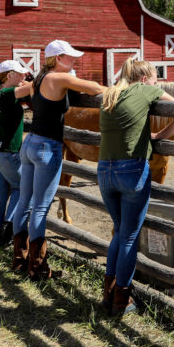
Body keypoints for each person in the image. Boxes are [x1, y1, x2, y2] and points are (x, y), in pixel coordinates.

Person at [98, 59, 174, 316]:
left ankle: (108, 294)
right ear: (144, 78)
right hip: (131, 171)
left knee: (119, 233)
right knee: (128, 236)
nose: (157, 83)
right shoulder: (146, 90)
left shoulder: (109, 94)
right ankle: (122, 300)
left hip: (105, 170)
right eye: (155, 78)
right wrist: (161, 136)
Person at [12, 40, 104, 280]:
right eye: (69, 57)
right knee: (41, 207)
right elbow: (95, 88)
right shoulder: (59, 78)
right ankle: (37, 267)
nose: (74, 61)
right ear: (58, 58)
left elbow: (16, 92)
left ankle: (19, 258)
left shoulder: (39, 80)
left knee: (25, 201)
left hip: (30, 142)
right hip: (47, 146)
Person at [0, 60, 33, 247]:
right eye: (20, 74)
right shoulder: (6, 93)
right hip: (6, 152)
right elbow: (32, 87)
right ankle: (11, 229)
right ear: (10, 75)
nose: (24, 76)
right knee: (24, 188)